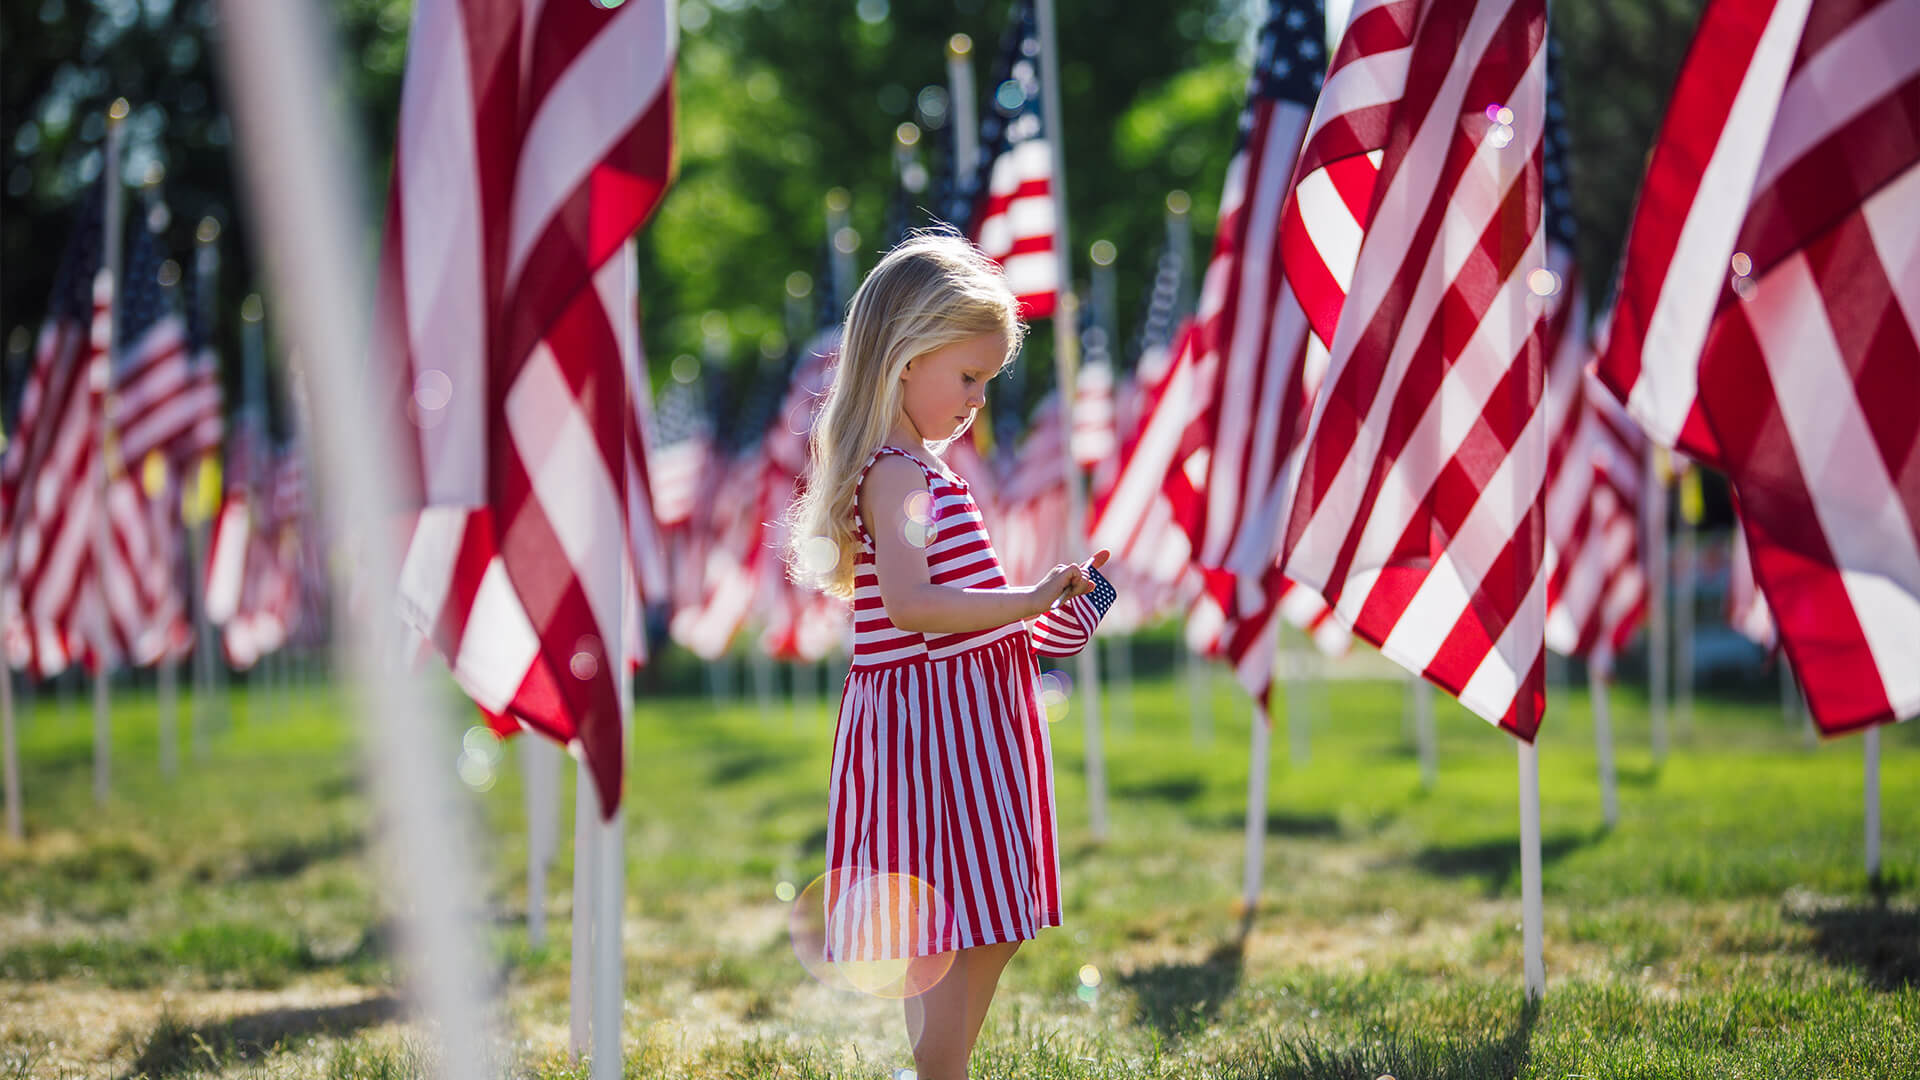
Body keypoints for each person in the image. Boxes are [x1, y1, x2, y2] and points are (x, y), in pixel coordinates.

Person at [785, 231, 1113, 1079]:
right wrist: (1031, 597)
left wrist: (1069, 611)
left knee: (990, 917)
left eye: (986, 382)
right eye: (966, 378)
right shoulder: (895, 472)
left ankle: (939, 1073)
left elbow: (979, 616)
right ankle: (940, 1074)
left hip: (972, 717)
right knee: (943, 921)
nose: (975, 400)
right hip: (929, 732)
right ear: (904, 356)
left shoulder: (933, 470)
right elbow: (912, 606)